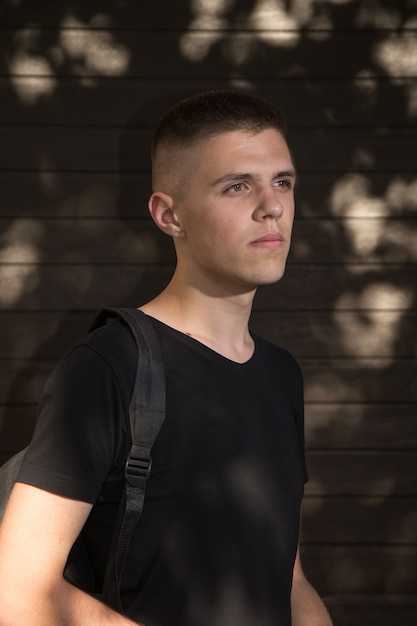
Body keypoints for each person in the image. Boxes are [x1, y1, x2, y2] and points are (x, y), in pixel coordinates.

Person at [0, 90, 332, 626]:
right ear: (169, 215)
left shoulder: (280, 375)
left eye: (283, 182)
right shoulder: (110, 364)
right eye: (237, 185)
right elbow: (15, 592)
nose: (272, 205)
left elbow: (285, 577)